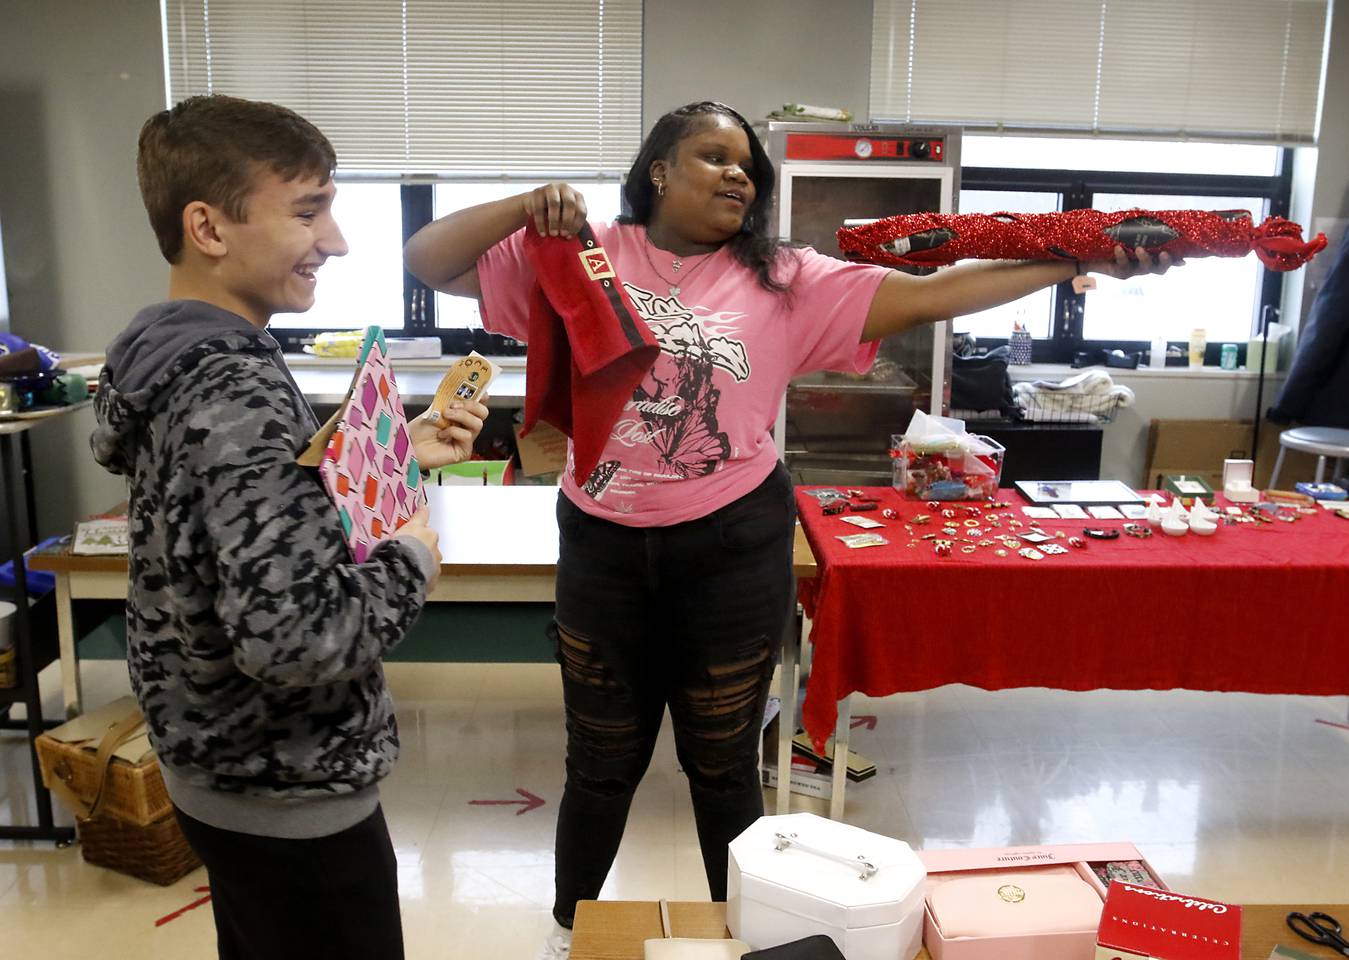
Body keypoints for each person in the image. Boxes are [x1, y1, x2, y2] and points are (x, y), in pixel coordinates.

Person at [404, 100, 1178, 959]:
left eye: (750, 167)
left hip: (731, 547)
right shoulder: (583, 256)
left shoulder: (786, 278)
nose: (740, 175)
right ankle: (566, 933)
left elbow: (938, 291)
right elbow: (428, 261)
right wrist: (526, 206)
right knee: (600, 762)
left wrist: (1077, 256)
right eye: (713, 156)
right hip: (603, 547)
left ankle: (750, 941)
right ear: (656, 170)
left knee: (724, 766)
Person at [91, 94, 488, 960]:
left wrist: (392, 457)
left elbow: (240, 517)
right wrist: (412, 556)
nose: (338, 240)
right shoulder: (235, 390)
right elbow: (302, 640)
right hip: (290, 794)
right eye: (308, 210)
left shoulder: (169, 357)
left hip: (215, 768)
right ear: (209, 226)